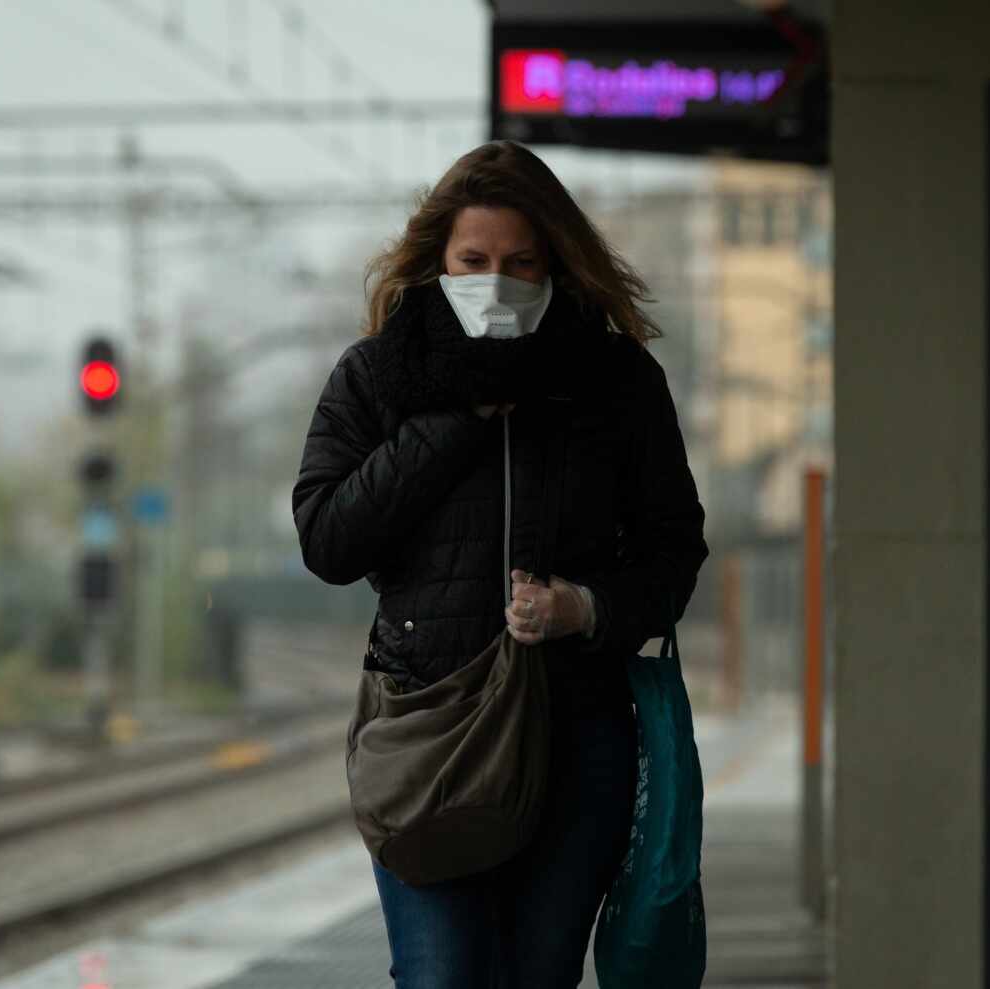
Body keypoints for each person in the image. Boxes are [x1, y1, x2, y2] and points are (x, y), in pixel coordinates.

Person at [292, 140, 709, 989]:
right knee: (442, 976)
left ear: (554, 260)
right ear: (438, 261)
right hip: (429, 728)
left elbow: (675, 547)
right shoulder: (380, 373)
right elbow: (328, 539)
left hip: (577, 731)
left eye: (521, 262)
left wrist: (585, 607)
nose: (497, 279)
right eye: (474, 260)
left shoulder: (615, 381)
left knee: (536, 975)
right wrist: (455, 418)